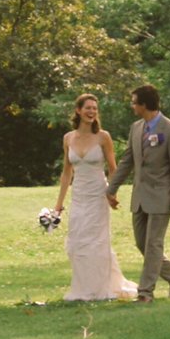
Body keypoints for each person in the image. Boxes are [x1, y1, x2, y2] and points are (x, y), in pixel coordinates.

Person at [106, 84, 170, 303]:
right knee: (142, 244)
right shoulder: (136, 128)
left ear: (144, 104)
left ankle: (145, 292)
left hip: (162, 197)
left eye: (134, 103)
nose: (132, 106)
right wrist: (111, 189)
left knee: (153, 245)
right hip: (139, 198)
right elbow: (127, 161)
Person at [54, 93, 138, 301]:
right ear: (78, 110)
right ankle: (83, 287)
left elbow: (113, 168)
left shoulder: (103, 137)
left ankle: (100, 289)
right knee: (77, 242)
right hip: (79, 195)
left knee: (96, 242)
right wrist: (58, 205)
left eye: (94, 108)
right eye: (88, 108)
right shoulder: (68, 138)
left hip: (98, 195)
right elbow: (67, 173)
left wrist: (112, 193)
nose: (91, 112)